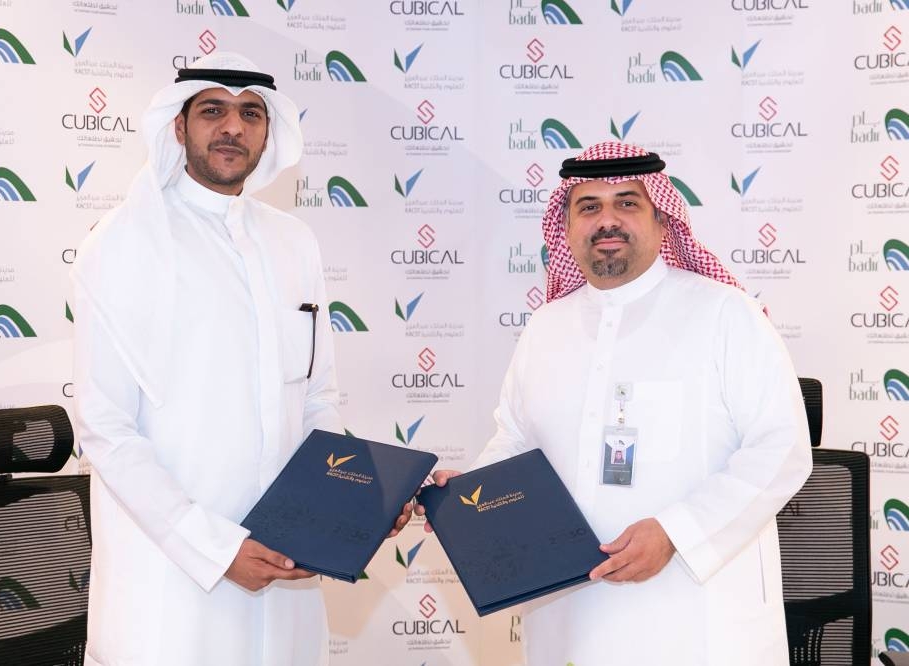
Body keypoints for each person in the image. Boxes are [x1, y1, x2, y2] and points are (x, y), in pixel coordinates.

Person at [71, 52, 410, 665]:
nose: (233, 127)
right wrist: (212, 548)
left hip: (284, 564)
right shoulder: (123, 243)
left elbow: (315, 398)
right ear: (179, 127)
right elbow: (106, 428)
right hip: (172, 578)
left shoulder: (293, 241)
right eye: (213, 111)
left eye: (251, 113)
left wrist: (351, 503)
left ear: (268, 131)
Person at [418, 141, 812, 666]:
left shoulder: (726, 315)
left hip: (694, 617)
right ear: (567, 228)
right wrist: (468, 495)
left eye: (627, 202)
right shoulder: (546, 326)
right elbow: (515, 439)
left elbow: (782, 448)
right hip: (569, 614)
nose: (608, 220)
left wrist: (676, 531)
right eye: (589, 207)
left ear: (662, 222)